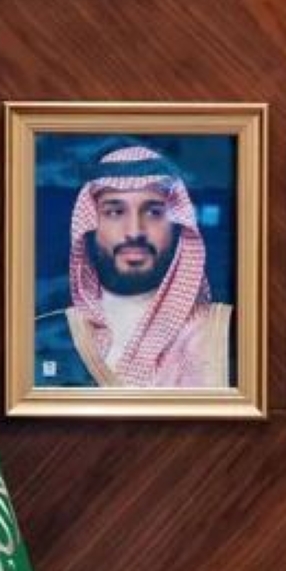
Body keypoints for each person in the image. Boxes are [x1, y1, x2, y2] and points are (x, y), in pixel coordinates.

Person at [33, 144, 232, 388]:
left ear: (178, 226)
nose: (135, 232)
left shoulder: (227, 335)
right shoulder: (44, 338)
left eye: (154, 212)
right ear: (90, 225)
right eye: (115, 212)